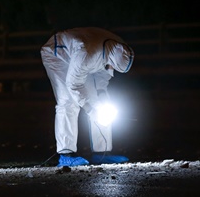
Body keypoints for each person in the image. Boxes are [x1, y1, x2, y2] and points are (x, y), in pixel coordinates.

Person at [40, 27, 135, 166]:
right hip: (57, 53)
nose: (111, 68)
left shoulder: (116, 49)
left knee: (101, 103)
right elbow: (73, 84)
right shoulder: (88, 54)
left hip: (81, 53)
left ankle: (102, 153)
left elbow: (102, 79)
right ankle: (66, 154)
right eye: (111, 66)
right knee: (68, 101)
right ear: (110, 59)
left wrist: (102, 99)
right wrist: (90, 109)